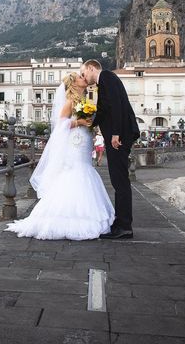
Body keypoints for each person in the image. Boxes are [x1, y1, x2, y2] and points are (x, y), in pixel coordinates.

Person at [6, 72, 115, 240]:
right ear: (74, 83)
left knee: (84, 169)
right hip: (75, 142)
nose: (83, 78)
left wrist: (89, 126)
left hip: (84, 139)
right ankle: (68, 217)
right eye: (80, 77)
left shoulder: (84, 101)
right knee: (76, 172)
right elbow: (60, 124)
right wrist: (79, 122)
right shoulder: (70, 102)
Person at [81, 59, 139, 239]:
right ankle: (121, 223)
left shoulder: (106, 76)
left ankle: (124, 226)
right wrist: (88, 123)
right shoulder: (104, 81)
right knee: (118, 179)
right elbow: (104, 109)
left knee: (120, 180)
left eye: (84, 73)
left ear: (92, 68)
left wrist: (115, 133)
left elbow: (116, 105)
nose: (84, 77)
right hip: (119, 135)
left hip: (119, 137)